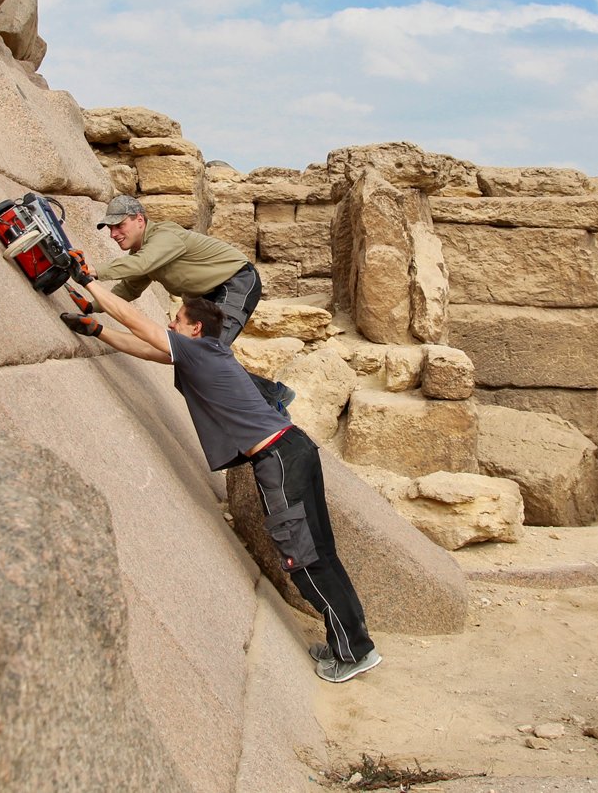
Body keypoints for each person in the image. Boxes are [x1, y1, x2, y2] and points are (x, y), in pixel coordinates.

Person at [59, 247, 380, 683]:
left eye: (175, 321)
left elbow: (139, 325)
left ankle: (352, 654)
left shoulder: (199, 351)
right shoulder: (201, 353)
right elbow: (143, 347)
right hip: (292, 451)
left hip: (279, 461)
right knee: (320, 552)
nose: (170, 325)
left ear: (193, 329)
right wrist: (97, 330)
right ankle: (351, 642)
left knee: (304, 558)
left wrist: (88, 282)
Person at [67, 194, 293, 411]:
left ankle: (271, 397)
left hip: (235, 282)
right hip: (206, 296)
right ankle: (268, 396)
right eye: (110, 228)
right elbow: (129, 288)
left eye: (119, 225)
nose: (113, 234)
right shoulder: (144, 253)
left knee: (205, 353)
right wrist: (91, 306)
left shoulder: (164, 236)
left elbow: (142, 264)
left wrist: (92, 271)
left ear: (139, 220)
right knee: (188, 354)